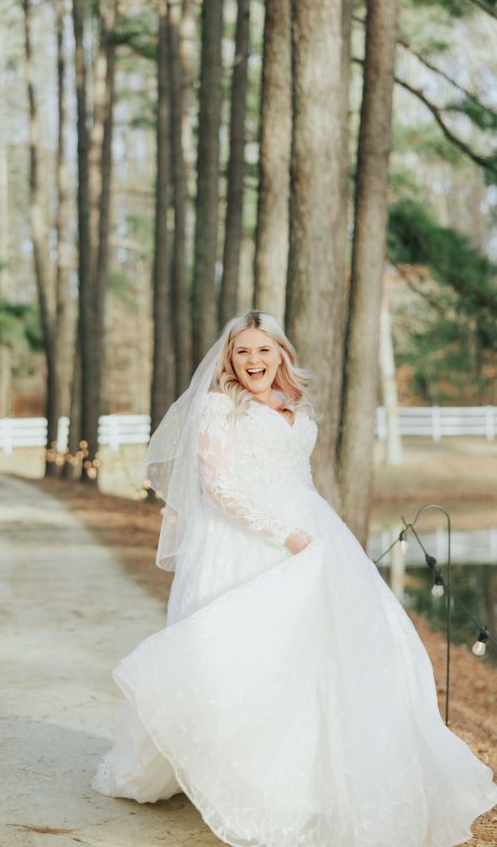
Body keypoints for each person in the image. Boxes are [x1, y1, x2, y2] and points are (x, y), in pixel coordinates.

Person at [92, 310, 497, 847]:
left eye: (264, 350)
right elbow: (216, 486)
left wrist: (311, 530)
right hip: (244, 541)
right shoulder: (219, 406)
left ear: (281, 353)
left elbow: (296, 473)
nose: (254, 361)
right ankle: (240, 780)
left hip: (313, 530)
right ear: (229, 360)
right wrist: (283, 534)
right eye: (242, 352)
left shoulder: (294, 404)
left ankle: (311, 782)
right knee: (245, 659)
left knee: (324, 659)